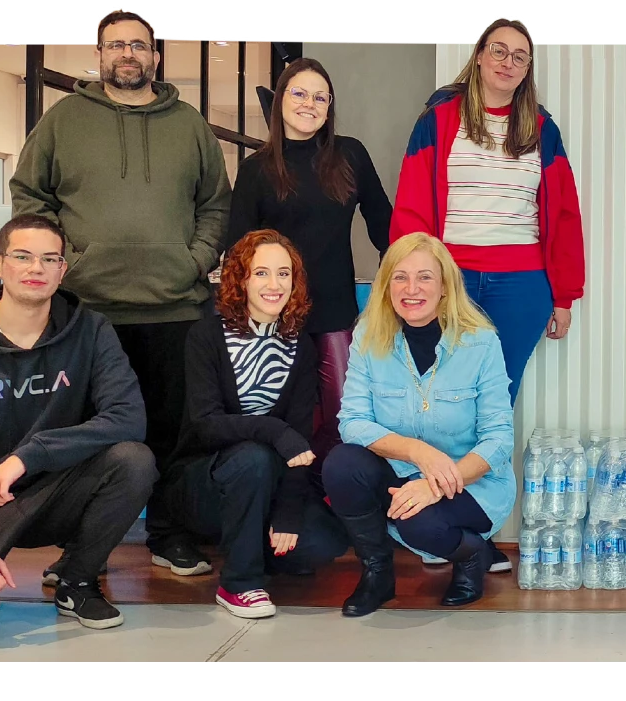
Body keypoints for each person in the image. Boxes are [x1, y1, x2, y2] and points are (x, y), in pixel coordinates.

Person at [9, 9, 233, 581]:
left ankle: (170, 536)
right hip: (88, 312)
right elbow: (30, 195)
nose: (127, 54)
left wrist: (197, 259)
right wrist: (63, 263)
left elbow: (216, 204)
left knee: (174, 435)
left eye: (139, 44)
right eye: (115, 45)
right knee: (87, 439)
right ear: (99, 54)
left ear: (155, 56)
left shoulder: (189, 124)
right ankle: (87, 550)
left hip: (176, 308)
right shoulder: (63, 121)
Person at [0, 215, 156, 654]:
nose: (35, 268)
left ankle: (76, 579)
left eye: (49, 259)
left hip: (58, 492)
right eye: (22, 256)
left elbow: (128, 417)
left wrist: (30, 454)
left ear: (63, 270)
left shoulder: (91, 331)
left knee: (133, 460)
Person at [390, 16, 581, 567]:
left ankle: (478, 529)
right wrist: (411, 281)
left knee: (495, 410)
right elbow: (411, 209)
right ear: (478, 57)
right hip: (451, 283)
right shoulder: (439, 119)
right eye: (498, 51)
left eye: (519, 56)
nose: (507, 62)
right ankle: (435, 528)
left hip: (521, 288)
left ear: (527, 71)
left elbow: (563, 214)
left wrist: (563, 295)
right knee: (444, 409)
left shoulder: (541, 128)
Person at [156, 230, 353, 619]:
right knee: (254, 457)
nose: (274, 284)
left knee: (325, 541)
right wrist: (273, 431)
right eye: (261, 273)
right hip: (202, 481)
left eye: (284, 274)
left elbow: (299, 442)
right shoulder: (207, 336)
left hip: (265, 481)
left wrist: (288, 513)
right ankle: (239, 583)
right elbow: (206, 425)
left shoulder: (300, 345)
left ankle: (247, 540)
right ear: (241, 279)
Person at [325, 233, 516, 615]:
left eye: (425, 277)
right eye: (400, 277)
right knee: (342, 463)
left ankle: (472, 555)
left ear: (445, 286)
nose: (411, 289)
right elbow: (353, 422)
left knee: (419, 524)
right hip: (400, 473)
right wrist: (417, 452)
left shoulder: (481, 343)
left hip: (473, 484)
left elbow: (499, 439)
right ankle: (377, 575)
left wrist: (435, 484)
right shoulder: (368, 336)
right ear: (386, 286)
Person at [227, 58, 394, 477]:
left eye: (320, 97)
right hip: (273, 319)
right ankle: (283, 507)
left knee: (345, 420)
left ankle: (329, 498)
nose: (309, 104)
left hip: (335, 313)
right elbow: (239, 251)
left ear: (330, 106)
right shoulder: (255, 170)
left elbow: (385, 227)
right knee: (280, 420)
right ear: (280, 99)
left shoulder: (350, 154)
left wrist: (398, 288)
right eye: (298, 93)